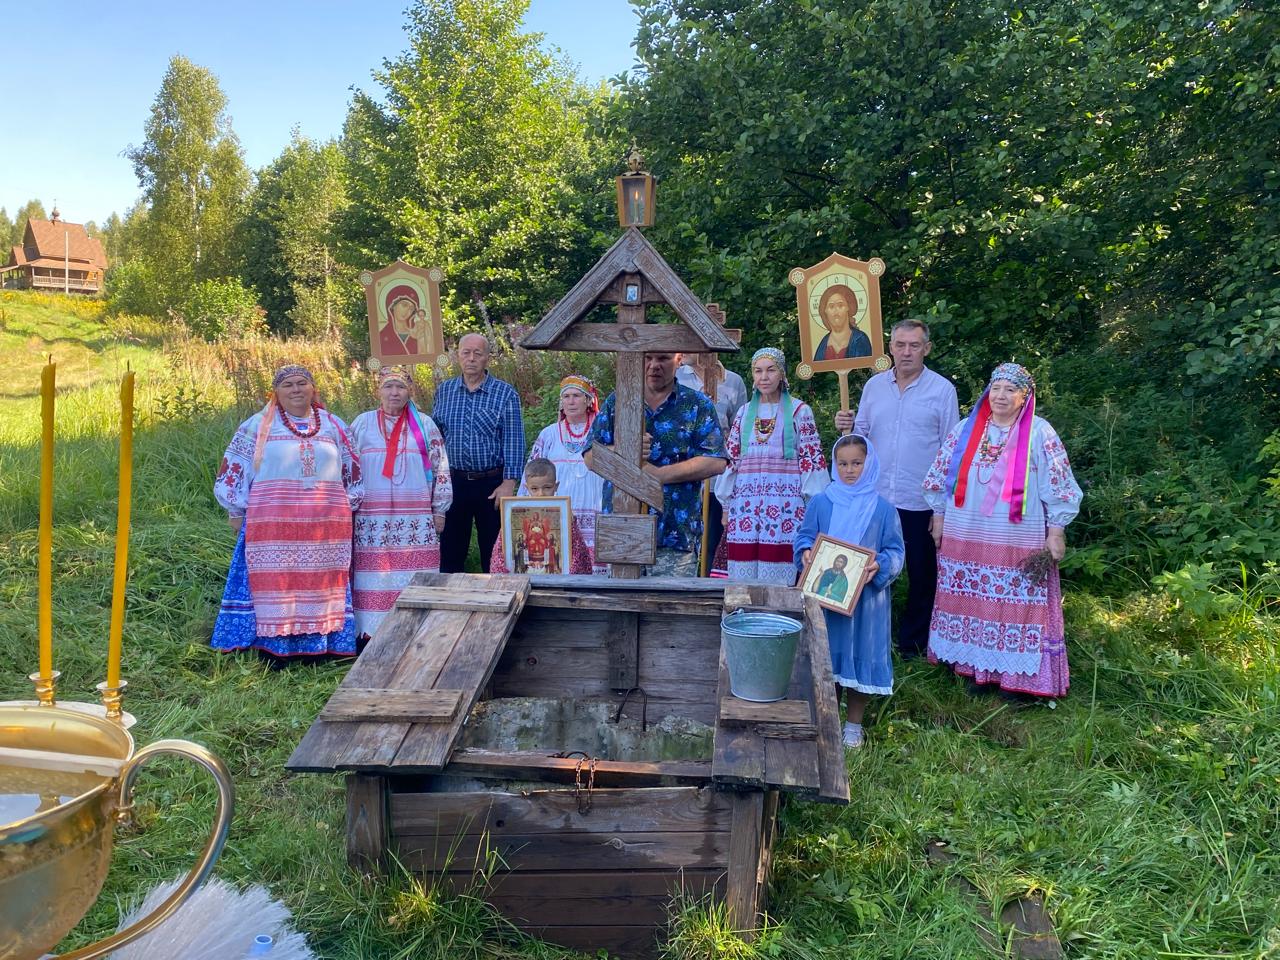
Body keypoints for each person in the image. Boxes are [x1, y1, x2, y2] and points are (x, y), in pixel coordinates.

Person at [922, 363, 1083, 699]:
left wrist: (1056, 531)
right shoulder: (966, 430)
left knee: (1015, 603)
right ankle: (974, 670)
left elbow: (1059, 486)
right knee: (973, 600)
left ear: (1025, 397)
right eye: (996, 388)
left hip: (1016, 537)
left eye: (1011, 390)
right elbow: (940, 476)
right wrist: (938, 516)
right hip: (965, 533)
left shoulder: (1040, 433)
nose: (1001, 396)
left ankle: (1016, 679)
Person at [211, 365, 363, 664]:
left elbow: (352, 469)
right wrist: (235, 508)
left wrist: (349, 504)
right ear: (276, 392)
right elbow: (235, 467)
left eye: (302, 383)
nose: (296, 389)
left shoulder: (334, 425)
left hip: (324, 526)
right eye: (288, 385)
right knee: (278, 584)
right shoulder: (257, 426)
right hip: (273, 525)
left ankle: (322, 648)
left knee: (321, 584)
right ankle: (277, 651)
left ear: (313, 388)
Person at [836, 319, 959, 658]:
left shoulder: (942, 390)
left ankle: (912, 645)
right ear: (890, 347)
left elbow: (951, 453)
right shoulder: (874, 386)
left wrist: (940, 509)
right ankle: (869, 637)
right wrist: (846, 426)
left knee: (921, 574)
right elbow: (859, 439)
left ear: (926, 348)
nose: (906, 352)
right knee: (868, 569)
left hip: (919, 500)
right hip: (875, 498)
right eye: (900, 345)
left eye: (914, 345)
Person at [795, 434, 904, 748]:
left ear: (870, 464)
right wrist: (806, 553)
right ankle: (826, 721)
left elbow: (896, 551)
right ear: (834, 465)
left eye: (857, 463)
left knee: (860, 658)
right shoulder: (821, 502)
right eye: (842, 464)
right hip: (827, 603)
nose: (849, 470)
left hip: (867, 604)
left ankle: (853, 727)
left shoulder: (884, 509)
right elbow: (804, 537)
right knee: (828, 661)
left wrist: (879, 565)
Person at [584, 352, 728, 577]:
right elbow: (590, 457)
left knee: (669, 600)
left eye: (662, 358)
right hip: (623, 532)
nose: (654, 365)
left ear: (678, 359)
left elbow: (716, 460)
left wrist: (659, 475)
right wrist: (625, 448)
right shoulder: (618, 400)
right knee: (621, 598)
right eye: (647, 358)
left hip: (675, 532)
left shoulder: (697, 404)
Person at [349, 365, 452, 642]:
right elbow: (348, 467)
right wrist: (348, 508)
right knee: (374, 576)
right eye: (388, 386)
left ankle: (416, 632)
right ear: (378, 391)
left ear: (410, 391)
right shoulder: (362, 424)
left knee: (414, 574)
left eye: (401, 387)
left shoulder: (425, 425)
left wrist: (440, 509)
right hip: (372, 519)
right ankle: (369, 636)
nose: (394, 392)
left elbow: (441, 468)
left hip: (415, 519)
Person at [715, 347, 827, 584]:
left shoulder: (800, 411)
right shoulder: (744, 413)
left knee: (781, 574)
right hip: (746, 507)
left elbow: (811, 462)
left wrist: (813, 508)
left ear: (782, 374)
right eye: (758, 371)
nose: (764, 377)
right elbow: (732, 460)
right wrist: (725, 505)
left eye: (770, 370)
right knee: (744, 579)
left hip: (785, 507)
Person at [432, 333, 524, 572]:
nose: (471, 358)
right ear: (458, 356)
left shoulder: (505, 393)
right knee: (450, 551)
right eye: (466, 352)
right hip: (454, 482)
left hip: (491, 484)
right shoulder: (444, 391)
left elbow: (514, 439)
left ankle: (496, 594)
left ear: (487, 358)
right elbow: (436, 438)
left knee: (494, 553)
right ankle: (451, 594)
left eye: (477, 353)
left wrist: (508, 483)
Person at [524, 374, 606, 574]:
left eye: (576, 396)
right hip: (557, 513)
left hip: (596, 508)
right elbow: (531, 473)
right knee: (561, 564)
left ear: (588, 400)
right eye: (566, 396)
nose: (571, 401)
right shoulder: (549, 434)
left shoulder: (603, 431)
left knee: (597, 574)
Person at [489, 458, 593, 574]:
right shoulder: (516, 512)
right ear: (527, 488)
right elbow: (505, 546)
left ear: (556, 486)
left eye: (547, 488)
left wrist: (570, 522)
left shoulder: (563, 511)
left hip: (556, 573)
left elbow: (576, 548)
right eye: (534, 489)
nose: (541, 494)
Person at [813, 284, 872, 361]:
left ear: (848, 307)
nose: (836, 311)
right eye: (831, 306)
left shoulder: (860, 339)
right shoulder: (824, 343)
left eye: (840, 305)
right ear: (825, 311)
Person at [379, 285, 427, 357]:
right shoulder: (382, 335)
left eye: (411, 308)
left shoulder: (418, 333)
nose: (407, 310)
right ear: (393, 305)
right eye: (404, 305)